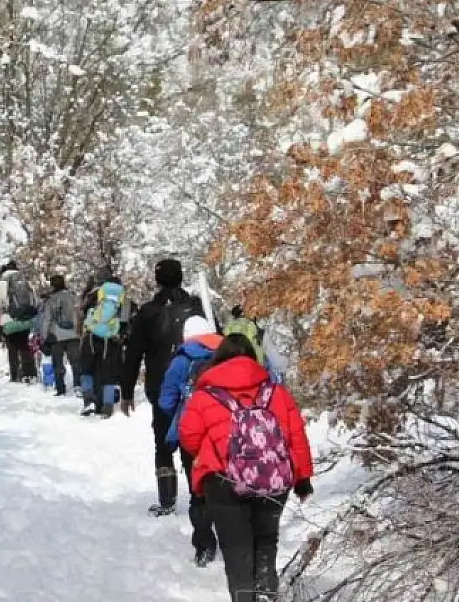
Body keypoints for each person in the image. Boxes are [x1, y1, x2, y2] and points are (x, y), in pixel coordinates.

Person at [178, 334, 314, 602]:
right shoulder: (276, 392)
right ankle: (265, 591)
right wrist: (302, 478)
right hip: (272, 478)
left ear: (219, 360)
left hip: (223, 481)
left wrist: (212, 455)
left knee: (236, 549)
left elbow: (188, 436)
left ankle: (244, 597)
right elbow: (296, 436)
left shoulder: (204, 396)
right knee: (265, 540)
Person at [121, 258, 205, 515]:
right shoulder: (196, 308)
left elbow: (134, 352)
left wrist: (126, 392)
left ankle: (167, 500)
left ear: (157, 279)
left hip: (160, 385)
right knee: (194, 440)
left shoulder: (148, 312)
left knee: (163, 441)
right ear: (181, 277)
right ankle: (198, 495)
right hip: (196, 385)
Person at [157, 316, 223, 565]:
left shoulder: (182, 361)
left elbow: (165, 401)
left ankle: (205, 544)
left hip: (193, 433)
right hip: (227, 430)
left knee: (199, 489)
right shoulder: (230, 353)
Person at [79, 269, 129, 418]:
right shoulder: (123, 298)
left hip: (91, 337)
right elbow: (125, 320)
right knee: (109, 374)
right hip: (111, 340)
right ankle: (107, 406)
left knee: (87, 370)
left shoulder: (93, 294)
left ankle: (89, 400)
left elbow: (83, 313)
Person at [0, 262, 38, 383]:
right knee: (24, 346)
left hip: (9, 320)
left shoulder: (1, 283)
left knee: (12, 348)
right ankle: (29, 374)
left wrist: (2, 314)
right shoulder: (25, 281)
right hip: (26, 319)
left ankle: (15, 375)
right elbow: (34, 301)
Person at [39, 274, 82, 397]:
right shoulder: (73, 296)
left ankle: (60, 388)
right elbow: (79, 314)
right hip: (74, 334)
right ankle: (78, 385)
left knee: (57, 362)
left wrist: (44, 335)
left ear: (52, 285)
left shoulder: (51, 299)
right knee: (76, 362)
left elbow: (47, 319)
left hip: (56, 335)